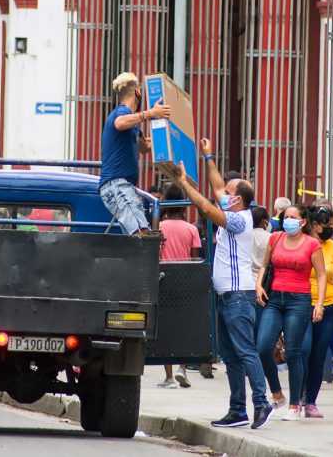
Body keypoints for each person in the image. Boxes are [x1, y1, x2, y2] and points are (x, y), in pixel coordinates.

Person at [171, 138, 273, 430]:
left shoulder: (239, 220)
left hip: (238, 297)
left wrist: (184, 183)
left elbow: (205, 206)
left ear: (237, 200)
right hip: (227, 296)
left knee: (245, 351)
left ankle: (261, 402)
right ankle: (238, 410)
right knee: (231, 356)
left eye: (228, 193)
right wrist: (209, 157)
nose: (221, 194)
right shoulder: (235, 209)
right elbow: (217, 188)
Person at [255, 204, 327, 421]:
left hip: (299, 301)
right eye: (286, 217)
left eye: (293, 217)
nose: (289, 220)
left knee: (294, 353)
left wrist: (320, 304)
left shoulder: (312, 244)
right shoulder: (275, 238)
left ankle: (295, 404)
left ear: (303, 222)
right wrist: (259, 285)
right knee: (263, 346)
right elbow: (264, 265)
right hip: (275, 298)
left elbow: (322, 275)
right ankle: (277, 393)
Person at [99, 72, 171, 235]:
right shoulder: (122, 112)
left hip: (121, 186)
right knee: (141, 233)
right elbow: (119, 123)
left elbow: (144, 147)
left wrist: (162, 140)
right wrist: (149, 114)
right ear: (138, 91)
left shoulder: (132, 123)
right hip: (116, 184)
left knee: (139, 235)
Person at [299, 206, 333, 418]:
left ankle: (310, 402)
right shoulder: (301, 244)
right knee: (302, 351)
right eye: (325, 223)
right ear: (312, 224)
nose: (330, 227)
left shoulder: (332, 247)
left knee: (318, 356)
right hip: (301, 306)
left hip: (328, 307)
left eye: (331, 223)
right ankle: (298, 398)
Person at [156, 184, 201, 389]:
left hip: (164, 278)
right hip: (185, 279)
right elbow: (195, 259)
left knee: (166, 328)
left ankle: (168, 377)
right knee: (184, 326)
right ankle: (182, 368)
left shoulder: (160, 227)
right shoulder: (192, 228)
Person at [250, 207, 271, 283]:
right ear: (263, 221)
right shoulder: (271, 237)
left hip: (246, 278)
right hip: (263, 279)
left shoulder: (244, 236)